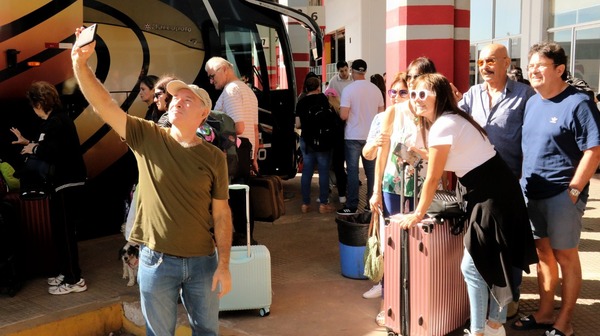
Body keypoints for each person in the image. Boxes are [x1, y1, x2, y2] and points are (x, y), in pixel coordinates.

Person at [71, 28, 232, 335]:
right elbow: (104, 105)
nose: (177, 101)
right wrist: (80, 65)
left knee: (208, 332)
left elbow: (222, 213)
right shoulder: (147, 136)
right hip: (157, 262)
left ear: (204, 113)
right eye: (175, 97)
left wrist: (224, 264)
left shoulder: (214, 158)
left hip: (203, 263)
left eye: (188, 98)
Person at [396, 73, 538, 336]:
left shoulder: (444, 124)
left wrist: (417, 213)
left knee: (472, 267)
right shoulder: (451, 120)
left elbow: (433, 177)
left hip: (491, 195)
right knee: (494, 259)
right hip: (492, 190)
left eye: (423, 94)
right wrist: (416, 149)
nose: (417, 99)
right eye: (413, 94)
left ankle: (479, 331)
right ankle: (494, 325)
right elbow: (451, 157)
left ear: (440, 95)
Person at [512, 42, 600, 336]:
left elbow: (593, 150)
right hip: (532, 192)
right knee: (543, 255)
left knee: (566, 257)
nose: (533, 70)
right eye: (531, 65)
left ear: (560, 69)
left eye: (540, 65)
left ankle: (566, 321)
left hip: (563, 194)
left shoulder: (578, 103)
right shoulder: (533, 101)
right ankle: (546, 312)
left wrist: (574, 190)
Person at [458, 43, 536, 318]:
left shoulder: (525, 95)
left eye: (490, 60)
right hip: (479, 185)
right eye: (480, 63)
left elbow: (533, 139)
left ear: (507, 63)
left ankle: (511, 297)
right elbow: (453, 120)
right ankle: (487, 303)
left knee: (511, 242)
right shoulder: (472, 94)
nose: (484, 67)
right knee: (483, 245)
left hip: (512, 184)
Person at [10, 81, 87, 295]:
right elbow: (50, 147)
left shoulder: (55, 122)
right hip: (65, 183)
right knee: (61, 233)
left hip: (66, 183)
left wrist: (33, 147)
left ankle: (74, 279)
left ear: (41, 102)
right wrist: (32, 143)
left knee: (65, 233)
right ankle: (66, 272)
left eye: (33, 104)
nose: (33, 110)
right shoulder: (58, 120)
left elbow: (51, 151)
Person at [362, 72, 421, 326]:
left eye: (403, 92)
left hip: (417, 188)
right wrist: (376, 143)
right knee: (390, 242)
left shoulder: (421, 118)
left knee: (415, 243)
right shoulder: (382, 117)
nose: (396, 97)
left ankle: (413, 297)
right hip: (390, 186)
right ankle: (387, 295)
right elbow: (368, 153)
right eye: (393, 92)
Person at [205, 57, 258, 244]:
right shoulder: (247, 90)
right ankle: (246, 238)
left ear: (224, 69)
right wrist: (253, 157)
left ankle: (240, 239)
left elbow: (239, 127)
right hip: (246, 151)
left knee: (233, 197)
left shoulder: (231, 91)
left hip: (235, 152)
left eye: (212, 76)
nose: (211, 81)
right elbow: (255, 128)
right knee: (243, 196)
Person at [337, 59, 384, 215]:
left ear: (352, 70)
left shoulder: (349, 90)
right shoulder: (376, 90)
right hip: (372, 136)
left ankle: (351, 206)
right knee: (371, 172)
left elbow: (343, 115)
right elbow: (381, 114)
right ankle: (371, 203)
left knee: (352, 172)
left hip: (352, 136)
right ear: (365, 71)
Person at [295, 77, 336, 214]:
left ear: (306, 87)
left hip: (307, 140)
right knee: (323, 172)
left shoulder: (301, 102)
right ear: (318, 87)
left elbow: (298, 125)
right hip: (323, 140)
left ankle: (305, 204)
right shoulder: (323, 99)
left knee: (307, 171)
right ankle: (323, 204)